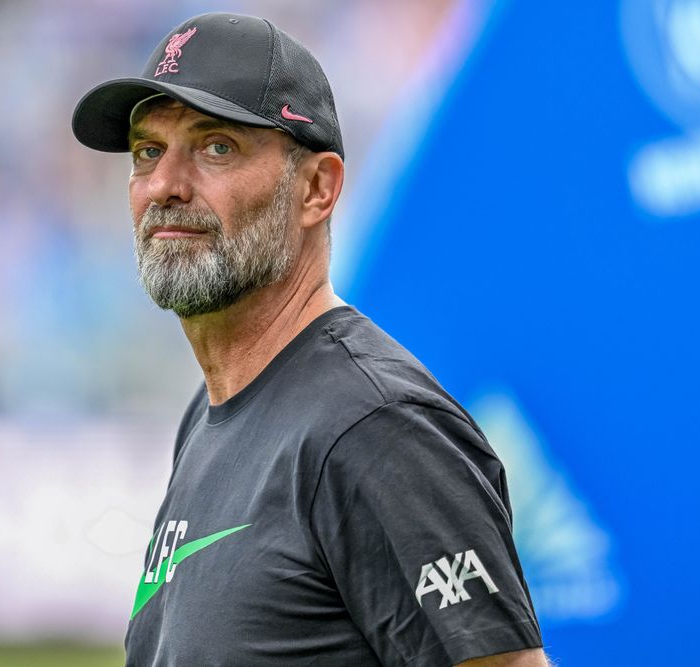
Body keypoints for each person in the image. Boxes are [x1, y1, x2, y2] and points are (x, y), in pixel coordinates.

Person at [71, 12, 547, 667]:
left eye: (216, 148)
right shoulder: (213, 414)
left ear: (317, 189)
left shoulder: (379, 428)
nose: (166, 185)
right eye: (148, 152)